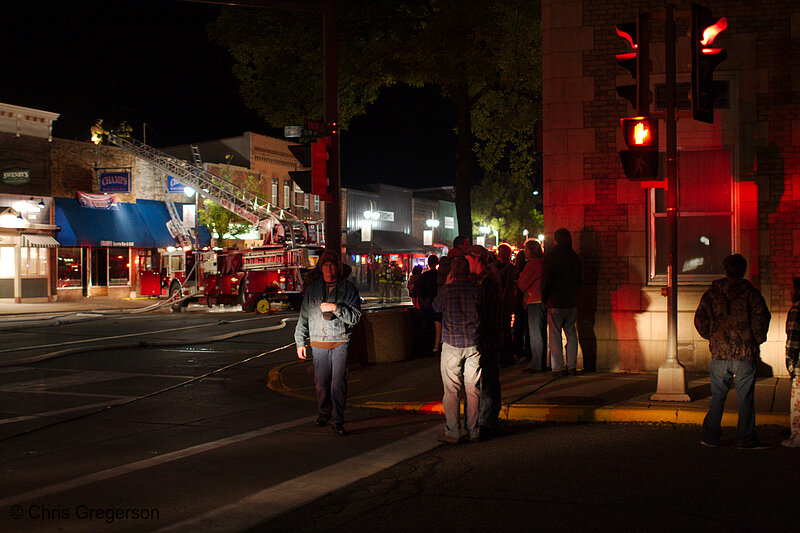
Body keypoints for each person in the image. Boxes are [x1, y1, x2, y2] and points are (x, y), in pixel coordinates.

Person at [694, 253, 771, 449]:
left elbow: (700, 319)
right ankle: (746, 439)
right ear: (743, 271)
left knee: (718, 396)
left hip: (719, 353)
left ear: (725, 270)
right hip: (744, 352)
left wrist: (712, 336)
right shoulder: (751, 294)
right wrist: (756, 340)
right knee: (745, 398)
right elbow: (761, 319)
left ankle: (711, 436)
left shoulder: (712, 293)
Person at [294, 249, 362, 436]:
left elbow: (355, 317)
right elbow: (304, 316)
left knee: (338, 383)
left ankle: (338, 419)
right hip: (318, 342)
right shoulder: (314, 289)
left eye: (332, 265)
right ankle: (324, 413)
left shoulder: (349, 289)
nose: (329, 269)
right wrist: (300, 341)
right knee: (321, 383)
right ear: (321, 268)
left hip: (340, 341)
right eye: (325, 266)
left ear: (338, 269)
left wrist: (336, 308)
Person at [432, 256, 482, 443]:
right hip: (473, 342)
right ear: (469, 271)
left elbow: (435, 307)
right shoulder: (477, 290)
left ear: (452, 273)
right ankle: (474, 429)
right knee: (472, 388)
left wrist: (445, 285)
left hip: (452, 344)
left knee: (452, 390)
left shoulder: (447, 291)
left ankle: (453, 431)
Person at [466, 244, 502, 437]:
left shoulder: (487, 282)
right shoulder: (483, 279)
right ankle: (486, 419)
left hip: (487, 336)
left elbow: (486, 312)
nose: (467, 264)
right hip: (488, 335)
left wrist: (480, 333)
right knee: (485, 379)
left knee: (488, 380)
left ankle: (487, 421)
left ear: (477, 259)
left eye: (469, 260)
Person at [541, 228, 582, 377]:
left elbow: (545, 280)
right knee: (571, 334)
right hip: (570, 301)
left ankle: (557, 368)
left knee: (555, 335)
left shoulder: (551, 257)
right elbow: (579, 280)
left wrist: (544, 298)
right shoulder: (574, 257)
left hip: (555, 301)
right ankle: (572, 366)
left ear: (556, 240)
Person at [518, 239, 545, 373]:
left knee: (535, 334)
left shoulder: (532, 265)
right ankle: (542, 361)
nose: (524, 253)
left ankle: (537, 364)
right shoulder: (544, 263)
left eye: (526, 250)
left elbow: (522, 284)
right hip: (544, 300)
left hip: (534, 300)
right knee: (542, 333)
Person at [492, 243, 518, 366]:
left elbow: (509, 286)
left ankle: (506, 355)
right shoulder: (500, 267)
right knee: (502, 330)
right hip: (500, 302)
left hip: (505, 303)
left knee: (506, 330)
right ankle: (504, 355)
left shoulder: (508, 268)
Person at [782, 277, 800, 448]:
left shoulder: (797, 308)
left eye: (792, 289)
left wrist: (790, 361)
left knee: (798, 403)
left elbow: (793, 339)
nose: (790, 292)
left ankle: (797, 437)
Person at [417, 255, 442, 352]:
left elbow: (420, 290)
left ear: (428, 264)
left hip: (426, 304)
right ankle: (436, 347)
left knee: (427, 325)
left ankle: (426, 347)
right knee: (437, 327)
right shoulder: (439, 275)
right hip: (437, 304)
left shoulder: (424, 276)